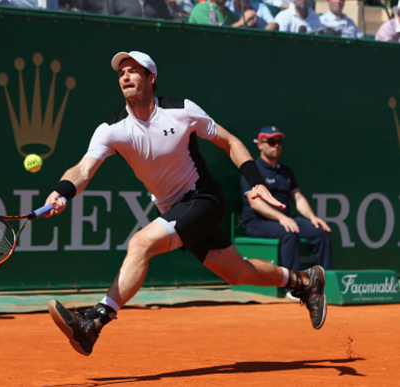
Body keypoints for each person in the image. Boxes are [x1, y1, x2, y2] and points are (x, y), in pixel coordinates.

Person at [43, 51, 327, 356]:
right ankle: (304, 281)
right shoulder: (112, 129)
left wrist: (256, 181)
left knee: (141, 244)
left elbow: (229, 141)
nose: (125, 76)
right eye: (121, 72)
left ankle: (94, 323)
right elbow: (83, 169)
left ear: (151, 78)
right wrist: (62, 191)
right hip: (173, 209)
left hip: (203, 197)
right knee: (238, 272)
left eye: (134, 71)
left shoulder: (182, 111)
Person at [240, 126, 332, 300]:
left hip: (286, 219)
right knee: (289, 231)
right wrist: (282, 218)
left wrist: (313, 218)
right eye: (272, 141)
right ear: (260, 144)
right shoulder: (252, 170)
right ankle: (293, 287)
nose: (277, 146)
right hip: (258, 222)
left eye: (279, 142)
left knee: (320, 231)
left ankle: (325, 284)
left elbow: (298, 198)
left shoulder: (285, 171)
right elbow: (255, 203)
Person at [102, 0, 181, 20]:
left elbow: (174, 18)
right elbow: (105, 22)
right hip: (123, 46)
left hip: (151, 44)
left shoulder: (159, 2)